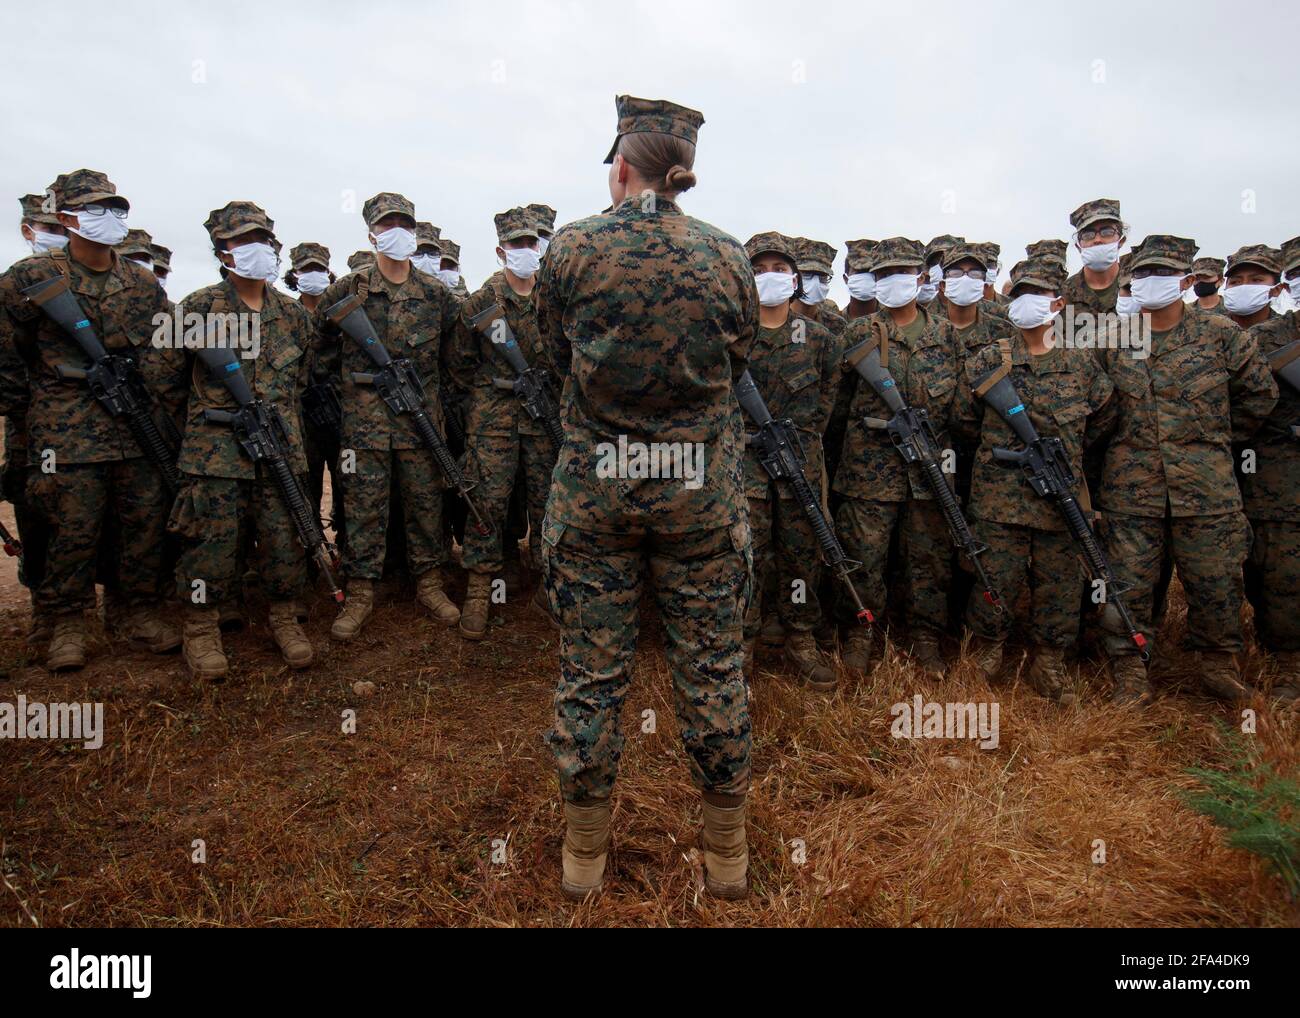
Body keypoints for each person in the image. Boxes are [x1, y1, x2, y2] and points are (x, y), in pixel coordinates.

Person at [534, 94, 755, 900]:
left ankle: (583, 859)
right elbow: (741, 359)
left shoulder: (573, 250)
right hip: (698, 502)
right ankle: (727, 857)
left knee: (591, 674)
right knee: (713, 668)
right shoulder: (728, 257)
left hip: (599, 500)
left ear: (621, 167)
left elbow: (553, 349)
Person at [0, 169, 186, 671]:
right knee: (72, 526)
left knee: (142, 521)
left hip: (133, 426)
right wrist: (34, 401)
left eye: (116, 208)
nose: (110, 218)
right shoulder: (31, 279)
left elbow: (162, 348)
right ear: (66, 218)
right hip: (67, 427)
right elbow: (6, 354)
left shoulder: (141, 281)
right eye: (96, 209)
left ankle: (135, 611)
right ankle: (66, 621)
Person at [1099, 235, 1277, 704]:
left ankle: (1219, 666)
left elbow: (1260, 395)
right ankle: (1131, 670)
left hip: (1206, 489)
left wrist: (1211, 437)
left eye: (1161, 273)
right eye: (1141, 274)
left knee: (1216, 582)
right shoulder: (1113, 339)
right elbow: (1095, 408)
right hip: (1131, 491)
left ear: (1186, 280)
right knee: (1129, 583)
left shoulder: (1222, 335)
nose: (1150, 282)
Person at [952, 254, 1116, 703]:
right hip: (999, 497)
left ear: (1058, 304)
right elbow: (964, 422)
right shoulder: (988, 360)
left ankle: (1049, 660)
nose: (1028, 302)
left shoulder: (1080, 365)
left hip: (1058, 500)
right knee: (994, 578)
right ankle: (987, 650)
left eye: (1039, 294)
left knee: (1059, 585)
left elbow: (1102, 419)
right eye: (1020, 293)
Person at [170, 202, 316, 678]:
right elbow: (166, 381)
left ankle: (283, 618)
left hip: (278, 448)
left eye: (262, 239)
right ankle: (201, 626)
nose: (256, 248)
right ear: (222, 250)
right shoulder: (196, 308)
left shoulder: (294, 316)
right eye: (241, 240)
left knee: (283, 538)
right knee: (209, 544)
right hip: (215, 454)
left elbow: (300, 384)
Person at [315, 192, 463, 639]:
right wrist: (357, 388)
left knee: (425, 506)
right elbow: (320, 354)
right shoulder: (348, 291)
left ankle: (430, 584)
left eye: (403, 223)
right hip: (365, 429)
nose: (396, 232)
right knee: (362, 510)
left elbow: (454, 362)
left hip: (420, 427)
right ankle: (360, 593)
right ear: (371, 234)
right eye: (386, 225)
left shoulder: (437, 295)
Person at [830, 237, 960, 678]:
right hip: (870, 471)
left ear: (921, 278)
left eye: (902, 274)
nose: (892, 283)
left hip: (928, 472)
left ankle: (925, 638)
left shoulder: (947, 336)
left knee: (928, 560)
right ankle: (861, 632)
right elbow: (837, 406)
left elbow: (961, 411)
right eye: (883, 276)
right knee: (865, 555)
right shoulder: (858, 335)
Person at [739, 231, 843, 689]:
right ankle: (742, 640)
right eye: (759, 269)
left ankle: (800, 637)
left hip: (800, 463)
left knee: (802, 553)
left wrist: (801, 445)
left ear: (795, 277)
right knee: (748, 554)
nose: (770, 277)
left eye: (779, 269)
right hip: (746, 465)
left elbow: (825, 402)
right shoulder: (735, 337)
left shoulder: (818, 339)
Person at [449, 206, 557, 638]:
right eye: (517, 244)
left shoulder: (551, 300)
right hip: (493, 420)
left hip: (542, 417)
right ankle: (480, 591)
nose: (526, 250)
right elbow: (459, 365)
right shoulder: (481, 303)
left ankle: (554, 589)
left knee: (548, 501)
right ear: (500, 250)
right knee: (486, 503)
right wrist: (495, 391)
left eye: (532, 242)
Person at [3, 191, 67, 645]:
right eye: (51, 230)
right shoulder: (15, 285)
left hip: (98, 423)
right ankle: (48, 609)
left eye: (65, 229)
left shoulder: (105, 283)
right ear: (28, 231)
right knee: (39, 508)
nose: (60, 238)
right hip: (34, 423)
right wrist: (33, 405)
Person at [1241, 234, 1300, 701]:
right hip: (1277, 478)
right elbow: (1243, 404)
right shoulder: (1265, 340)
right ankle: (1286, 662)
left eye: (1255, 278)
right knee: (1276, 574)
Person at [285, 242, 343, 568]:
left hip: (336, 414)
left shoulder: (340, 313)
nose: (314, 275)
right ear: (295, 274)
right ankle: (310, 557)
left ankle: (346, 553)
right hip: (302, 417)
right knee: (305, 489)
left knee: (346, 483)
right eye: (307, 269)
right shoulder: (287, 314)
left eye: (319, 269)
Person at [1061, 199, 1126, 329]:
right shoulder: (1061, 296)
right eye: (1088, 234)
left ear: (1121, 241)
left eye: (1107, 232)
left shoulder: (1138, 289)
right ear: (1078, 246)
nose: (1097, 240)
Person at [792, 237, 847, 334]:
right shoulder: (775, 320)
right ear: (793, 276)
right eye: (807, 274)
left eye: (822, 276)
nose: (815, 283)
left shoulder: (836, 325)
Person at [1222, 245, 1284, 330]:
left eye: (1256, 280)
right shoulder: (1206, 328)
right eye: (1235, 282)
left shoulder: (1291, 332)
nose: (1244, 286)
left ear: (1277, 289)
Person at [921, 234, 964, 312]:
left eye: (946, 260)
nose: (938, 266)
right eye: (934, 262)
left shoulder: (985, 309)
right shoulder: (922, 312)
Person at [841, 239, 879, 321]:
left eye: (871, 272)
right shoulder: (834, 323)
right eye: (859, 272)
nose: (865, 277)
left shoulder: (895, 319)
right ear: (846, 279)